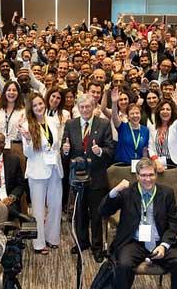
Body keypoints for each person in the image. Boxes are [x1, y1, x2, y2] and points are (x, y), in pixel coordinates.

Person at [99, 158, 177, 289]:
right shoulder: (127, 193)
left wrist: (164, 245)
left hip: (159, 242)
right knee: (123, 264)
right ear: (137, 176)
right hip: (134, 242)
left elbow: (173, 223)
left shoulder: (166, 193)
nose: (148, 179)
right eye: (143, 175)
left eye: (151, 175)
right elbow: (103, 211)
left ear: (156, 175)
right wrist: (115, 191)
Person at [62, 94, 115, 263]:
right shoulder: (70, 124)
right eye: (82, 107)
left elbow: (110, 150)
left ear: (93, 107)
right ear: (78, 108)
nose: (85, 110)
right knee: (79, 212)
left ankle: (97, 246)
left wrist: (100, 151)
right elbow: (65, 150)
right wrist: (65, 150)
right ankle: (81, 242)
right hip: (77, 177)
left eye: (88, 107)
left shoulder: (104, 124)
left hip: (96, 176)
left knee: (96, 214)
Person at [21, 94, 63, 254]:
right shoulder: (26, 125)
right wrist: (29, 140)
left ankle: (52, 238)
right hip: (37, 171)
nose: (39, 107)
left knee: (55, 205)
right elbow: (28, 153)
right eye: (35, 105)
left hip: (54, 168)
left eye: (40, 103)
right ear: (31, 109)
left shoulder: (53, 121)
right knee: (38, 209)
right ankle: (38, 243)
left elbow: (55, 145)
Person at [110, 88, 149, 164]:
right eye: (132, 113)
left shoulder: (145, 130)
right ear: (128, 116)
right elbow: (114, 116)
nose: (135, 116)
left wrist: (145, 164)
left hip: (138, 166)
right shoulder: (122, 127)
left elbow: (145, 150)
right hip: (123, 165)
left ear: (140, 115)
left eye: (137, 113)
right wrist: (114, 103)